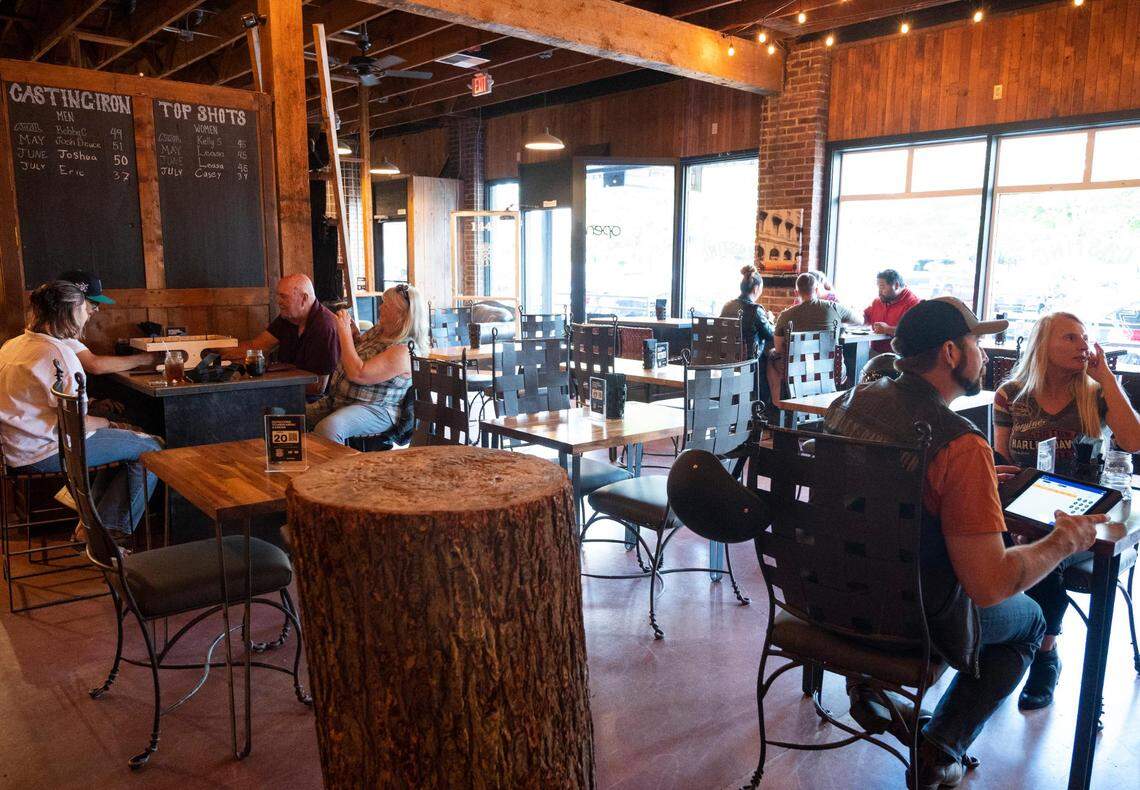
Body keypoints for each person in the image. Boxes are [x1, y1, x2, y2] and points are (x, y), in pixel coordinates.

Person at [824, 297, 1104, 789]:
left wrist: (966, 485)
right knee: (1029, 622)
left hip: (829, 594)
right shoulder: (959, 443)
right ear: (952, 353)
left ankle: (869, 688)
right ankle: (940, 749)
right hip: (912, 615)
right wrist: (1063, 540)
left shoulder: (849, 403)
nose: (984, 352)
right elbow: (990, 584)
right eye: (977, 342)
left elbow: (879, 490)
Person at [993, 312, 1140, 710]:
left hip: (1085, 511)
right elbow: (1004, 457)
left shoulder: (1096, 393)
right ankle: (996, 640)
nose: (1083, 345)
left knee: (1047, 546)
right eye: (1071, 337)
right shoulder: (1011, 393)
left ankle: (1044, 655)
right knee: (978, 536)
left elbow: (1135, 441)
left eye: (1085, 337)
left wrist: (1108, 377)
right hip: (1026, 503)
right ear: (1044, 344)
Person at [0, 282, 161, 538]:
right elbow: (77, 424)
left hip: (15, 447)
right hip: (45, 450)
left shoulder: (14, 344)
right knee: (150, 448)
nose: (88, 314)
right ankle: (107, 536)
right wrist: (110, 423)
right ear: (72, 310)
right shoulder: (59, 355)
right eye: (85, 308)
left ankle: (90, 526)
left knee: (128, 442)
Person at [307, 283, 429, 444]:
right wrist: (353, 334)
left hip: (376, 408)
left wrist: (343, 332)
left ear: (401, 315)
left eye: (386, 305)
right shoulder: (380, 331)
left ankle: (341, 469)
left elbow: (358, 373)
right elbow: (359, 350)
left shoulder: (402, 351)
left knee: (328, 428)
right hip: (342, 400)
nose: (380, 308)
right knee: (290, 418)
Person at [235, 274, 339, 400]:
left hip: (313, 400)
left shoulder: (324, 326)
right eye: (278, 296)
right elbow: (256, 346)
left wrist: (266, 383)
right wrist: (216, 351)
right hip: (286, 388)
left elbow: (318, 387)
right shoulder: (288, 317)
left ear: (304, 298)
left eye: (284, 296)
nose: (279, 301)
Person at [768, 272, 861, 403]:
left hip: (797, 373)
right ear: (817, 289)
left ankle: (778, 405)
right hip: (832, 371)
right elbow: (860, 320)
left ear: (796, 292)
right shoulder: (833, 307)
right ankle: (837, 409)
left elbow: (778, 348)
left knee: (772, 356)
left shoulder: (785, 315)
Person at [57, 270, 157, 374]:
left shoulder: (57, 332)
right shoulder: (58, 336)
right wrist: (145, 359)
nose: (97, 309)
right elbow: (94, 365)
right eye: (94, 303)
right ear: (72, 303)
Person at [721, 265, 775, 405]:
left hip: (727, 361)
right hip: (749, 363)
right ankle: (761, 409)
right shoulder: (755, 310)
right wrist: (769, 319)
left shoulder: (727, 306)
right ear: (756, 288)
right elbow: (770, 335)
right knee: (771, 360)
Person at [863, 269, 921, 354]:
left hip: (899, 358)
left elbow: (915, 333)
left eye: (882, 287)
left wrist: (888, 329)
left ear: (896, 285)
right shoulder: (878, 301)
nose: (879, 292)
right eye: (878, 287)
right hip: (875, 354)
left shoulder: (914, 303)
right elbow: (864, 318)